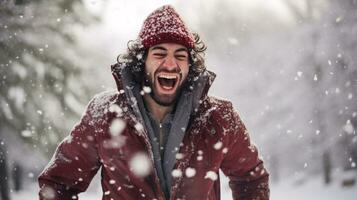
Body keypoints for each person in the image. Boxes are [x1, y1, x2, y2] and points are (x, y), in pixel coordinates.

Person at [38, 5, 269, 200]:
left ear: (190, 66)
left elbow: (252, 179)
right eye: (159, 53)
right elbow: (58, 184)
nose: (170, 64)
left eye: (180, 55)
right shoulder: (105, 115)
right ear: (141, 60)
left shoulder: (219, 117)